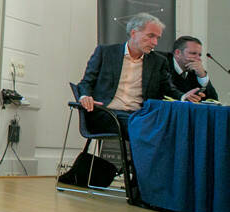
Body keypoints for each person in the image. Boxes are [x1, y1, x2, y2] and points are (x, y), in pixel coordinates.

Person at [75, 12, 203, 200]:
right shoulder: (105, 52)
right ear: (134, 33)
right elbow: (86, 82)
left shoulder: (157, 61)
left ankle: (159, 186)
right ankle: (140, 189)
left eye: (157, 38)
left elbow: (169, 88)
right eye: (150, 36)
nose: (155, 42)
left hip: (138, 116)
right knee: (145, 128)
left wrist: (184, 96)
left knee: (164, 128)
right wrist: (85, 96)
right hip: (106, 114)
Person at [169, 35, 218, 101]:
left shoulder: (194, 71)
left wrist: (202, 76)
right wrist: (184, 97)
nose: (198, 59)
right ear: (178, 53)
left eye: (199, 55)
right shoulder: (162, 64)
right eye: (193, 53)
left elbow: (214, 100)